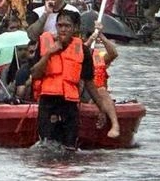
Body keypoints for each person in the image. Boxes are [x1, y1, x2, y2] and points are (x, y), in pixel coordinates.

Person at [28, 10, 119, 148]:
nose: (63, 29)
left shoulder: (82, 50)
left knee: (70, 148)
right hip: (48, 103)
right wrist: (49, 54)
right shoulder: (45, 44)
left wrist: (101, 109)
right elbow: (35, 74)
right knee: (46, 147)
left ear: (75, 28)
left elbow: (89, 83)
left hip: (69, 105)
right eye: (60, 25)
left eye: (67, 26)